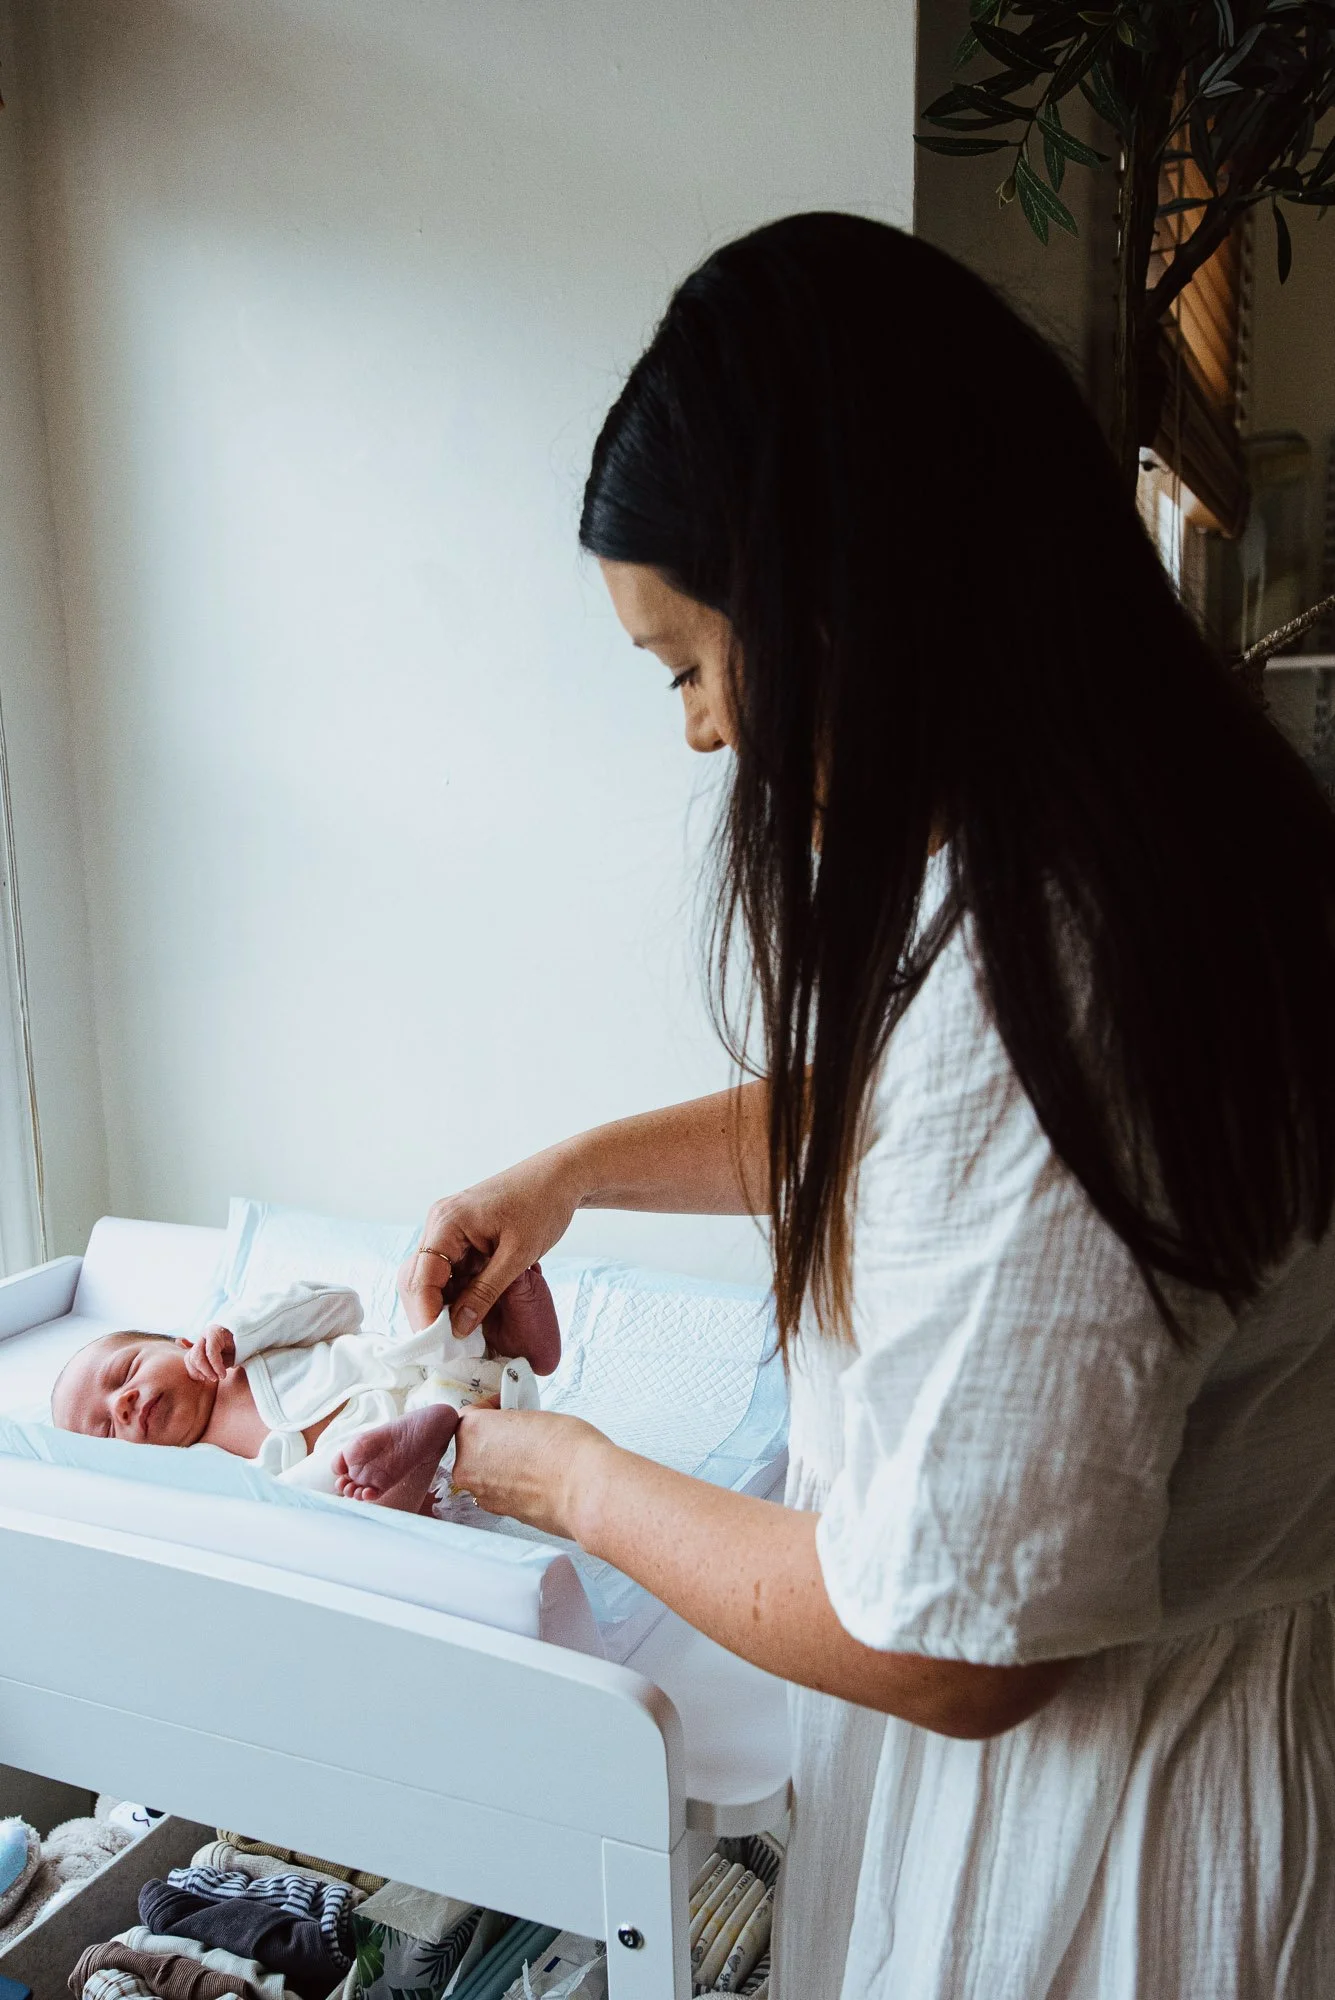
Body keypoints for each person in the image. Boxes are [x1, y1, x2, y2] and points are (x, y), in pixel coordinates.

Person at [405, 213, 1335, 1996]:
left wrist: (561, 1476)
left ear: (845, 600)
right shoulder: (1126, 843)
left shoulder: (1065, 966)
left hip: (1116, 1844)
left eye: (690, 665)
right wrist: (576, 1174)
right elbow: (933, 1124)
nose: (698, 737)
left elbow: (955, 1646)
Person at [51, 1261, 560, 1513]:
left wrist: (241, 1332)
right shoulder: (191, 1471)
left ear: (182, 1340)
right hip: (371, 1459)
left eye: (125, 1372)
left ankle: (511, 1336)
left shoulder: (243, 1350)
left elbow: (341, 1305)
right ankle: (427, 1442)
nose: (122, 1405)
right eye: (105, 1433)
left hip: (409, 1376)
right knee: (303, 1507)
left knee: (448, 1340)